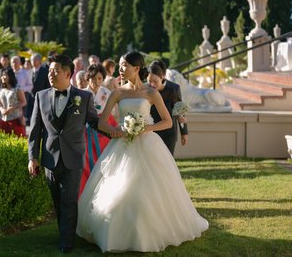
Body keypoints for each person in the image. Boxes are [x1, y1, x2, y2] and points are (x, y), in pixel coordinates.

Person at [77, 52, 208, 253]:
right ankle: (114, 231)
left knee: (148, 189)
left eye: (124, 66)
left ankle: (150, 231)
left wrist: (144, 128)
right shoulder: (117, 93)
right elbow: (102, 121)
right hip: (121, 145)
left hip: (148, 144)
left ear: (136, 68)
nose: (120, 69)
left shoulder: (151, 92)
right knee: (119, 187)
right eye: (119, 66)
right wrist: (115, 131)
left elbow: (166, 121)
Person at [27, 54, 102, 254]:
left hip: (74, 157)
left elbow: (94, 121)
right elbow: (35, 131)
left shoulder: (84, 97)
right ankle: (65, 233)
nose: (51, 74)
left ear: (68, 73)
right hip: (50, 158)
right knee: (58, 201)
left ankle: (66, 243)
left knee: (69, 200)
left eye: (56, 70)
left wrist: (114, 131)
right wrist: (32, 158)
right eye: (50, 70)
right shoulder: (40, 96)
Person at [79, 64, 117, 196]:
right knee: (86, 159)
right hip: (85, 129)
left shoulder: (106, 93)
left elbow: (111, 113)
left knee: (103, 158)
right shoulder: (81, 93)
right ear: (87, 78)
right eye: (93, 78)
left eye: (100, 79)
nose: (96, 82)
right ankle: (85, 190)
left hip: (102, 129)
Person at [147, 60, 188, 155]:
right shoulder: (145, 89)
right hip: (151, 131)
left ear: (162, 77)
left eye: (155, 81)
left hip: (169, 133)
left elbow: (180, 112)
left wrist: (184, 133)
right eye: (149, 81)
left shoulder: (174, 88)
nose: (152, 84)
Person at [0, 67, 27, 137]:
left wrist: (11, 109)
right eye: (2, 75)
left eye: (5, 75)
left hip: (15, 120)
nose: (3, 77)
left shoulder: (17, 89)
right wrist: (2, 110)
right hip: (3, 120)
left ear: (10, 76)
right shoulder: (0, 90)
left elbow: (24, 102)